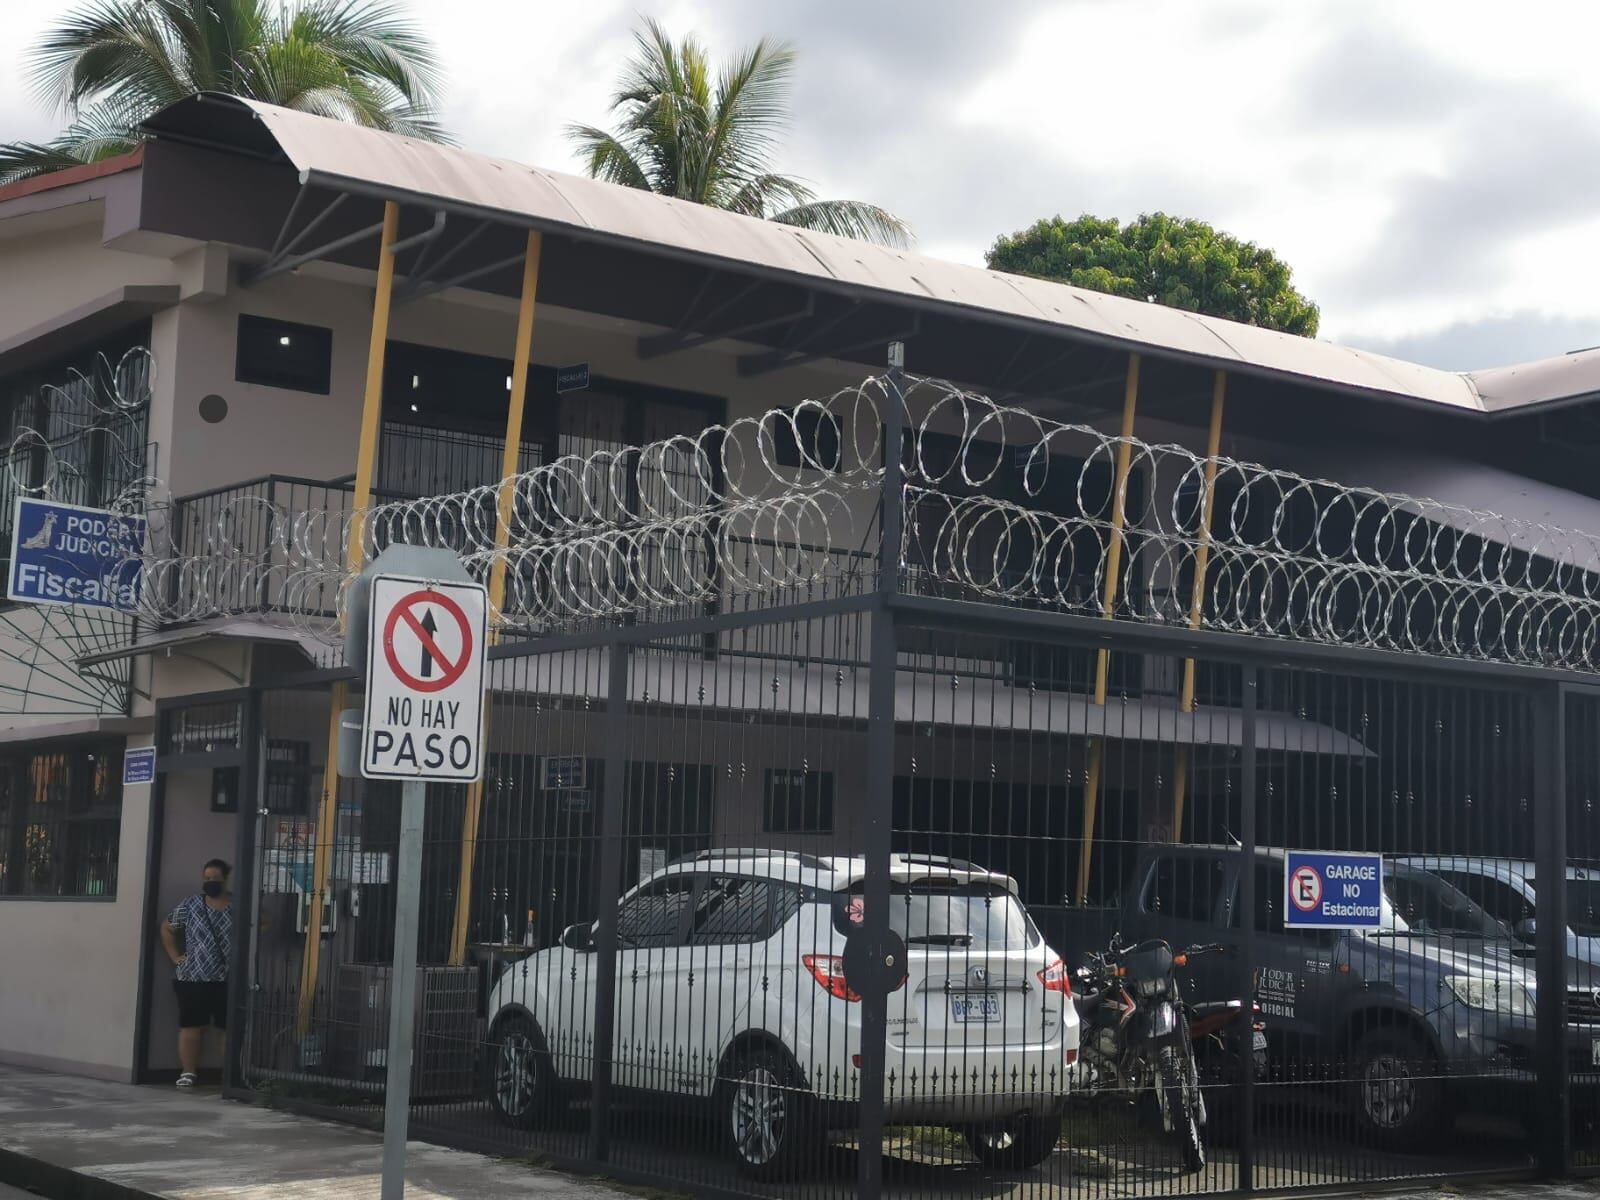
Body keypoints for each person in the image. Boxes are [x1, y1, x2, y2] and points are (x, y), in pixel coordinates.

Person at [160, 858, 234, 1088]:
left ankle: (229, 1073)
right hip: (193, 977)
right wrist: (175, 956)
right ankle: (188, 1072)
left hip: (227, 976)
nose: (210, 882)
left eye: (215, 878)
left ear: (225, 878)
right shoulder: (191, 904)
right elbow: (168, 927)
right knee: (192, 1025)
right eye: (207, 878)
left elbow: (262, 922)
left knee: (227, 1026)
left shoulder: (238, 904)